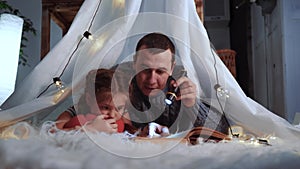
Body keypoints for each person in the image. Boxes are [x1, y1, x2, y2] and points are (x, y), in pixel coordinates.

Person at [121, 32, 229, 135]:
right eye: (145, 69)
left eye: (160, 71)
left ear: (172, 68)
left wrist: (193, 105)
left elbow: (221, 130)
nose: (152, 80)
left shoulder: (180, 85)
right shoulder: (117, 80)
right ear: (134, 62)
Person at [55, 69, 130, 134]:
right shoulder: (74, 111)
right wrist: (89, 129)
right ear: (89, 99)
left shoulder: (123, 116)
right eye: (105, 107)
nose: (112, 115)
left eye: (119, 108)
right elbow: (52, 134)